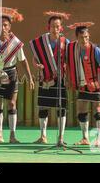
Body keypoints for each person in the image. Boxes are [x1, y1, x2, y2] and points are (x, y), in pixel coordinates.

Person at [0, 6, 34, 143]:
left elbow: (23, 61)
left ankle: (12, 135)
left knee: (11, 104)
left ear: (9, 27)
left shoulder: (16, 43)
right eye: (0, 25)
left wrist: (30, 77)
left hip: (11, 73)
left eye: (5, 25)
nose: (2, 28)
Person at [29, 11, 70, 144]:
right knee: (43, 107)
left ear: (61, 28)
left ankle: (61, 137)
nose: (55, 29)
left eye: (57, 26)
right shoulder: (41, 41)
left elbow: (69, 61)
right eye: (53, 26)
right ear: (48, 27)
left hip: (60, 79)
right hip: (45, 78)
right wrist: (37, 65)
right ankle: (43, 136)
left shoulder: (66, 42)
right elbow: (34, 59)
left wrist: (67, 75)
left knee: (61, 108)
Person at [66, 22, 100, 146]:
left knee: (98, 109)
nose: (84, 40)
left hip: (95, 83)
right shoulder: (71, 48)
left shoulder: (95, 50)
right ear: (76, 37)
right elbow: (68, 64)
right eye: (81, 37)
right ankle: (85, 138)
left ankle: (99, 138)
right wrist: (69, 79)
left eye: (86, 37)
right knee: (81, 109)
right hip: (81, 83)